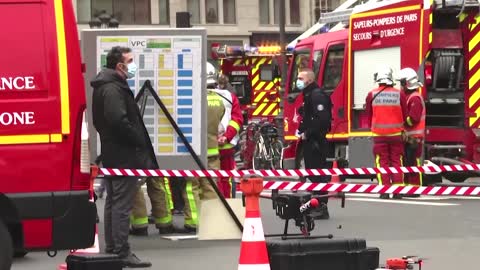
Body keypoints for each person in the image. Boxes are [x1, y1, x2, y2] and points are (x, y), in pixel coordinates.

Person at [91, 46, 152, 268]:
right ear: (119, 65)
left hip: (113, 152)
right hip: (123, 154)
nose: (133, 64)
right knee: (121, 204)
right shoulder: (113, 88)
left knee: (113, 203)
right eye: (130, 60)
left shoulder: (106, 86)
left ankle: (113, 250)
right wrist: (138, 138)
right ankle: (121, 252)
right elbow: (118, 120)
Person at [181, 88, 225, 232]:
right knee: (211, 186)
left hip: (193, 151)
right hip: (212, 150)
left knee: (191, 186)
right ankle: (211, 221)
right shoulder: (217, 100)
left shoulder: (191, 99)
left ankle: (193, 221)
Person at [365, 66, 408, 199]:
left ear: (378, 80)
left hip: (379, 135)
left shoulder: (371, 94)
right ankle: (397, 191)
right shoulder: (399, 93)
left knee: (382, 162)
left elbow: (368, 114)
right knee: (397, 161)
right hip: (396, 134)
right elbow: (405, 113)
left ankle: (384, 191)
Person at [296, 68, 332, 219]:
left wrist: (308, 132)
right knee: (313, 173)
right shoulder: (309, 94)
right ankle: (316, 204)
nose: (297, 81)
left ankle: (322, 207)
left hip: (316, 141)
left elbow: (322, 120)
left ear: (309, 80)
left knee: (318, 175)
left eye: (300, 78)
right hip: (311, 141)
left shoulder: (316, 95)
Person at [214, 74, 243, 198]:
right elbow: (237, 120)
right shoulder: (230, 97)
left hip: (206, 145)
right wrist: (226, 136)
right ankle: (228, 203)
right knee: (226, 178)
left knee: (208, 179)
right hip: (226, 145)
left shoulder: (198, 96)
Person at [397, 67, 425, 189]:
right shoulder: (409, 97)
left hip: (414, 138)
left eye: (402, 83)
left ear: (407, 83)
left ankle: (414, 187)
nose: (401, 85)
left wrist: (401, 123)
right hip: (409, 138)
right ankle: (409, 186)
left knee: (413, 163)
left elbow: (413, 118)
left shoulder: (415, 98)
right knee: (408, 162)